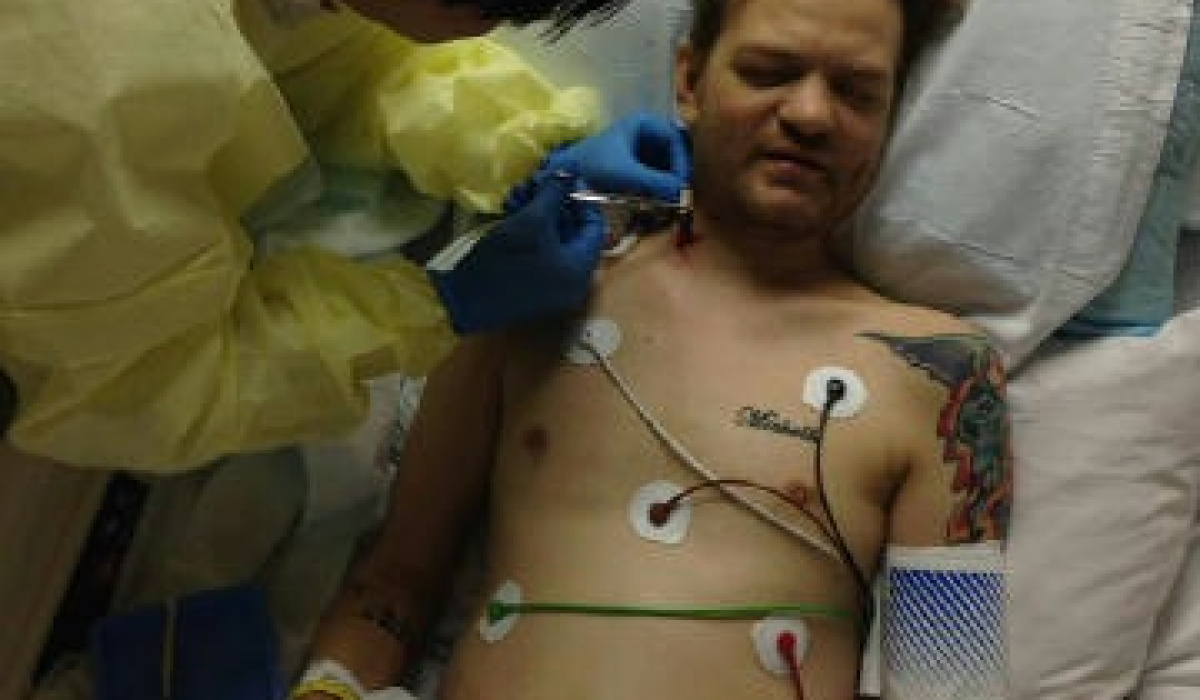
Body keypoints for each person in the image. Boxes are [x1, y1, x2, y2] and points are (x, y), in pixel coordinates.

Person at [296, 0, 1010, 698]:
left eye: (856, 92)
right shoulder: (523, 293)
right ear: (689, 81)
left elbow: (949, 685)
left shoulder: (936, 374)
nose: (811, 115)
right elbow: (391, 587)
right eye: (768, 72)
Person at [0, 0, 690, 471]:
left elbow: (330, 54)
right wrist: (439, 305)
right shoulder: (90, 89)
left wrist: (521, 145)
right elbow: (141, 392)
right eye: (497, 11)